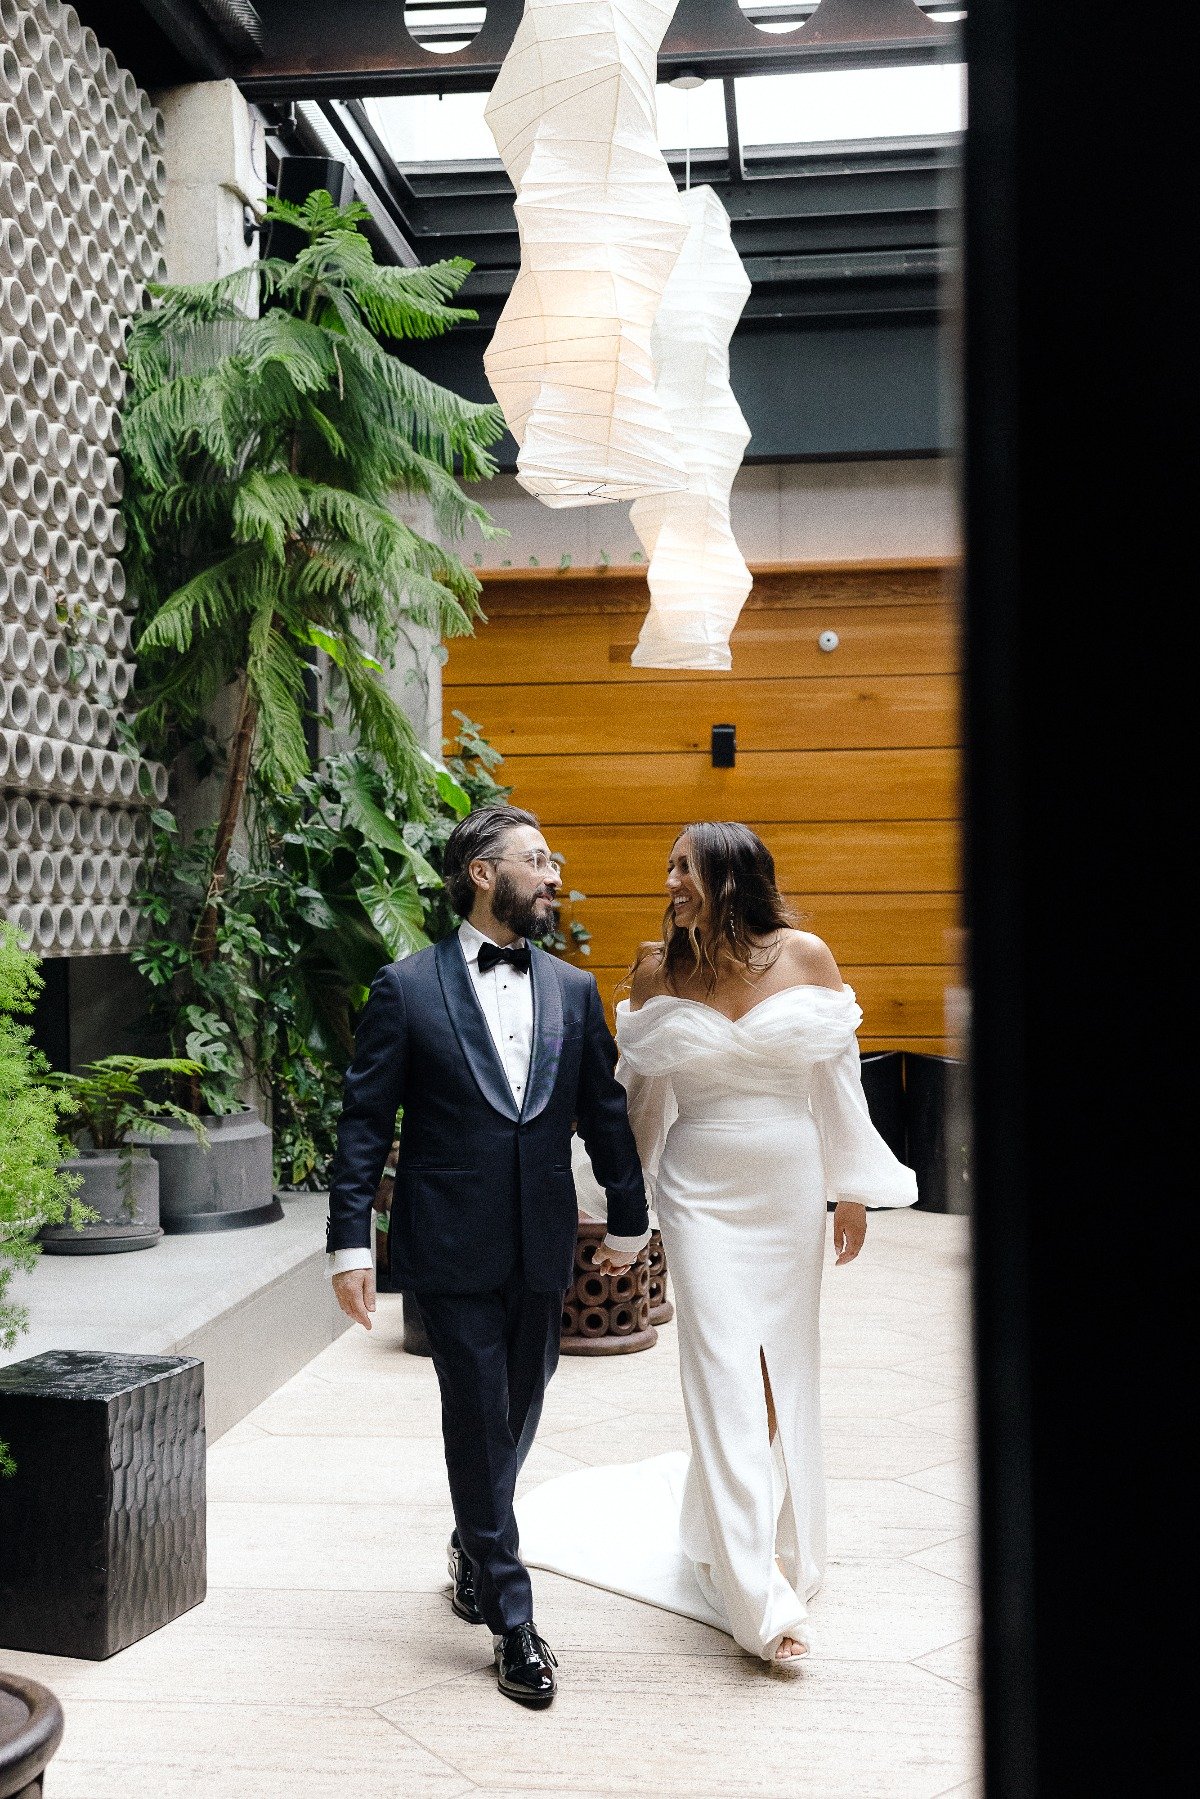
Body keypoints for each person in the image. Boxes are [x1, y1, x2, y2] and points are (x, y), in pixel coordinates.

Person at [515, 822, 917, 1664]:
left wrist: (851, 1191)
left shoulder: (806, 956)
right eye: (668, 864)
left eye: (683, 867)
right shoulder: (659, 969)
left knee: (778, 1372)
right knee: (723, 1370)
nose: (668, 880)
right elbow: (639, 1105)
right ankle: (753, 1595)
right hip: (700, 1195)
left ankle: (744, 1525)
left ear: (731, 877)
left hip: (789, 1187)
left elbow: (836, 1084)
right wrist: (626, 1216)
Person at [325, 804, 649, 1708]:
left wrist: (630, 1214)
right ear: (481, 872)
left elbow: (604, 1112)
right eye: (537, 861)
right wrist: (351, 1241)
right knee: (477, 1415)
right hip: (449, 1244)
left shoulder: (573, 992)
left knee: (518, 1408)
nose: (553, 876)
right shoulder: (405, 988)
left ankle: (475, 1547)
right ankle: (514, 1621)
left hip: (542, 1241)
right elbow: (362, 1124)